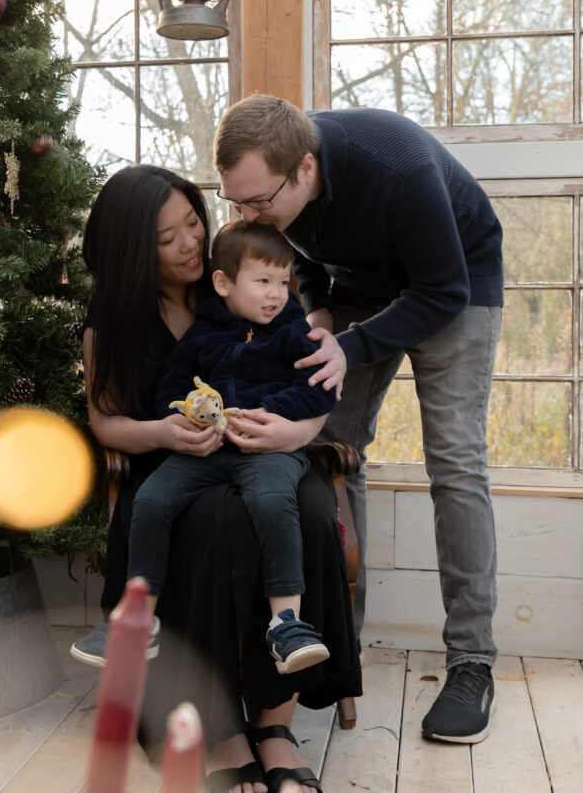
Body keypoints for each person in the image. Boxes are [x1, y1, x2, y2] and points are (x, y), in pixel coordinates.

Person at [214, 96, 503, 745]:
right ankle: (341, 643)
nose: (247, 217)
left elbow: (442, 289)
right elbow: (307, 255)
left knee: (454, 459)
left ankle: (471, 664)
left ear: (305, 169)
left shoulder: (393, 170)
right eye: (235, 203)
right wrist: (318, 311)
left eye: (258, 203)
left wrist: (351, 346)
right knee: (332, 446)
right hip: (362, 284)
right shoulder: (278, 182)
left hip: (455, 278)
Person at [70, 165, 361, 793]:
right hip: (179, 459)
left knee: (309, 512)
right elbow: (106, 422)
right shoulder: (115, 320)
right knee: (214, 525)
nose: (189, 244)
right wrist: (164, 433)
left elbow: (313, 384)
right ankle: (223, 727)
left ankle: (276, 724)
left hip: (272, 448)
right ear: (131, 249)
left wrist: (290, 434)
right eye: (165, 237)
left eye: (193, 222)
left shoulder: (246, 279)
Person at [128, 220, 337, 676]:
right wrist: (189, 411)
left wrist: (267, 412)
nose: (276, 293)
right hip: (204, 450)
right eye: (262, 281)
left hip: (268, 450)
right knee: (151, 499)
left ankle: (286, 623)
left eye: (283, 282)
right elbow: (171, 390)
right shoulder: (202, 336)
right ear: (223, 283)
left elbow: (319, 391)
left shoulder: (293, 332)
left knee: (273, 503)